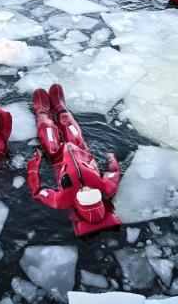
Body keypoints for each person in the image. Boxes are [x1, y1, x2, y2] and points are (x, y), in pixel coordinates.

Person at [27, 84, 122, 236]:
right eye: (93, 193)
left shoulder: (62, 200)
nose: (87, 190)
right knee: (70, 125)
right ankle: (60, 106)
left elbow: (37, 192)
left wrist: (34, 167)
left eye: (84, 195)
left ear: (79, 204)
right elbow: (114, 172)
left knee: (47, 130)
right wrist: (112, 158)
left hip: (57, 157)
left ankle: (42, 110)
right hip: (81, 150)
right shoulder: (106, 188)